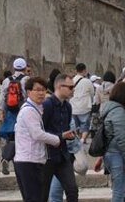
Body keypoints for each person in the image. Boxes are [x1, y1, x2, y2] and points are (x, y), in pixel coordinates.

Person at [13, 77, 69, 202]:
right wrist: (58, 139)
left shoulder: (36, 109)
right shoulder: (29, 111)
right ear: (28, 92)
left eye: (43, 90)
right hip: (28, 161)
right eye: (37, 90)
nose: (41, 93)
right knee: (34, 198)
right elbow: (37, 134)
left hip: (34, 160)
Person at [41, 74, 79, 202]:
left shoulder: (67, 107)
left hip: (63, 155)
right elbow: (41, 132)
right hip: (48, 156)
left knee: (72, 190)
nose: (72, 89)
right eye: (70, 87)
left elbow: (65, 127)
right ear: (59, 86)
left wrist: (69, 135)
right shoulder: (47, 105)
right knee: (43, 193)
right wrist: (61, 135)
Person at [99, 81, 125, 202]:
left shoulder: (112, 108)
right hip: (117, 155)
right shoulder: (118, 111)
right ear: (124, 95)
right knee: (119, 194)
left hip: (113, 154)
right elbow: (121, 137)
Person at [0, 57, 31, 174]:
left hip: (10, 111)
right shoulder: (27, 79)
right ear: (24, 67)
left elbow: (2, 97)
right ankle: (18, 160)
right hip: (22, 110)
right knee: (22, 135)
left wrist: (2, 111)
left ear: (13, 67)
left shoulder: (7, 80)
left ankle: (6, 157)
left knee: (10, 136)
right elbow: (29, 95)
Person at [71, 63, 96, 143]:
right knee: (85, 124)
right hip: (85, 106)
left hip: (73, 106)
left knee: (76, 125)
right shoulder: (87, 81)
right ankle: (83, 139)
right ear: (84, 70)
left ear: (76, 70)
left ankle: (78, 138)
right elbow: (92, 93)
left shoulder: (72, 80)